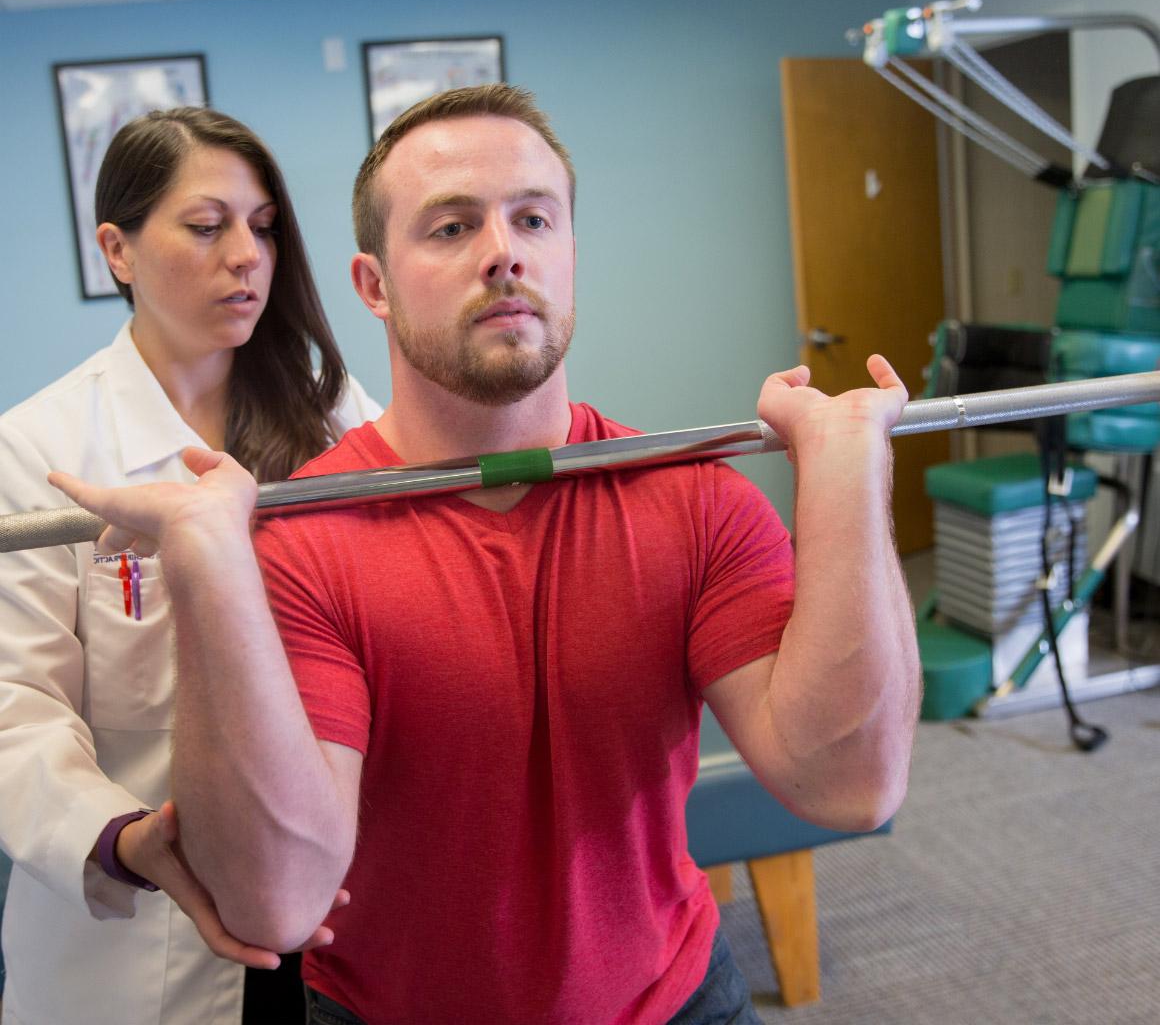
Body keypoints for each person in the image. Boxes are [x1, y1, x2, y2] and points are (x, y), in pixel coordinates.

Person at [51, 85, 921, 1024]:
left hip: (676, 999)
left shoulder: (698, 500)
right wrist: (208, 566)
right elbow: (278, 903)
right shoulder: (304, 544)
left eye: (533, 219)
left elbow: (851, 783)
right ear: (375, 286)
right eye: (452, 226)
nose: (503, 251)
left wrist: (845, 472)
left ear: (571, 256)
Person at [0, 106, 381, 1025]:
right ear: (117, 251)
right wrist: (126, 840)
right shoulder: (40, 449)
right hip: (142, 925)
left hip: (336, 897)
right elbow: (15, 704)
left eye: (262, 227)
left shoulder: (341, 421)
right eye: (207, 227)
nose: (246, 255)